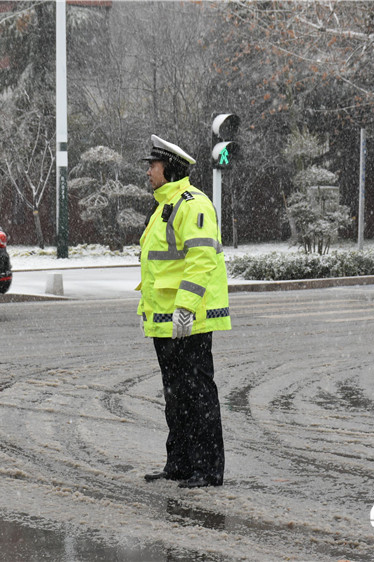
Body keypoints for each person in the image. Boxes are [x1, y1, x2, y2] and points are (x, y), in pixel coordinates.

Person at [136, 134, 231, 489]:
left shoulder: (193, 204)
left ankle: (207, 469)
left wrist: (186, 308)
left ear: (169, 168)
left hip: (189, 320)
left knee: (198, 394)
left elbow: (201, 259)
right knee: (176, 396)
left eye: (152, 165)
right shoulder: (166, 205)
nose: (148, 171)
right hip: (166, 323)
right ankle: (179, 463)